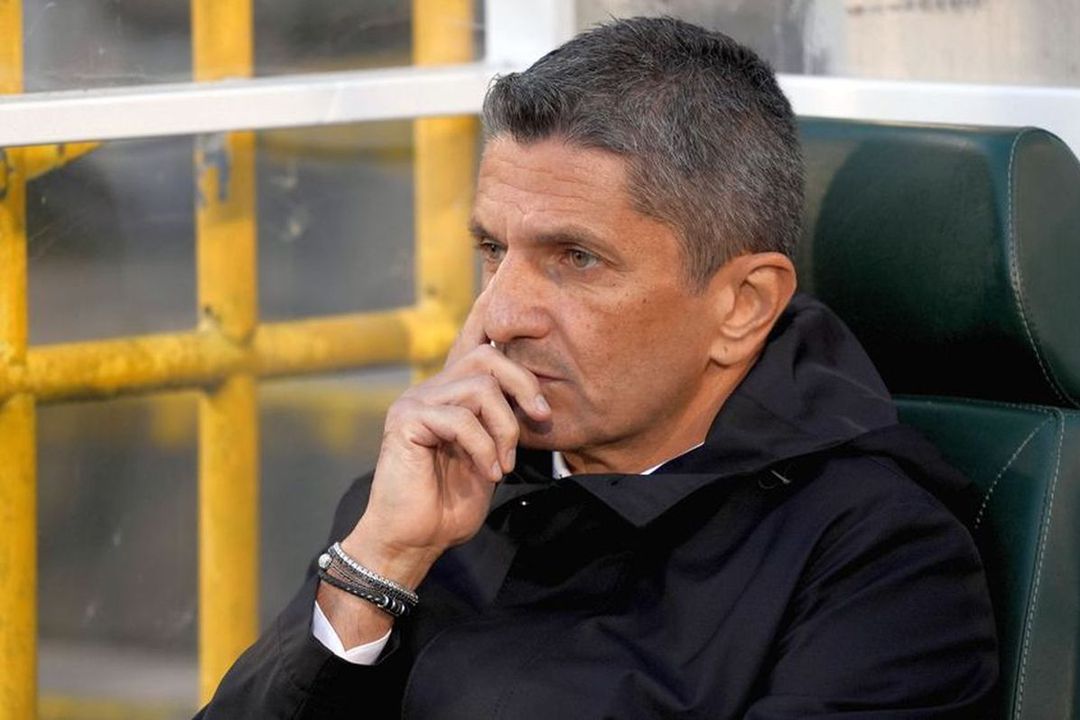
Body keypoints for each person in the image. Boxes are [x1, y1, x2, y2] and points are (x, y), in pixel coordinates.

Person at [197, 16, 997, 719]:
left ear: (743, 305)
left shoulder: (878, 562)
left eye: (576, 258)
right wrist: (378, 562)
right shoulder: (435, 486)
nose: (502, 316)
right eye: (493, 249)